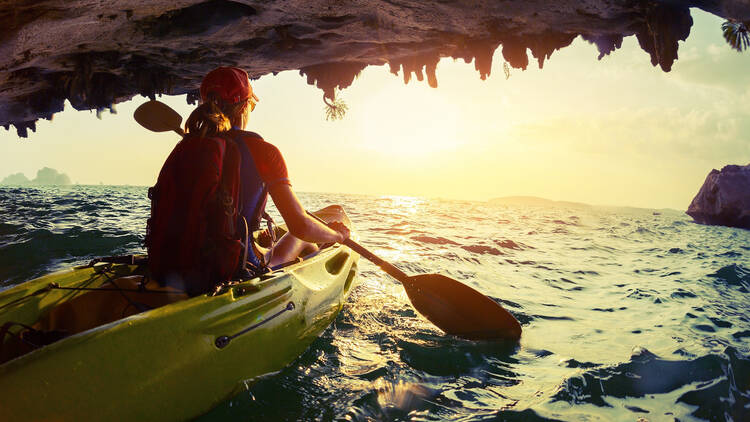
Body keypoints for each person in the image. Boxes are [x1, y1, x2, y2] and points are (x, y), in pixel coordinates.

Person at [187, 66, 349, 271]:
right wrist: (338, 235)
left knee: (272, 246)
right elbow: (300, 226)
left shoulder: (192, 146)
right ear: (245, 106)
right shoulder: (264, 152)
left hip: (181, 260)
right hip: (235, 266)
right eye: (251, 106)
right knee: (299, 239)